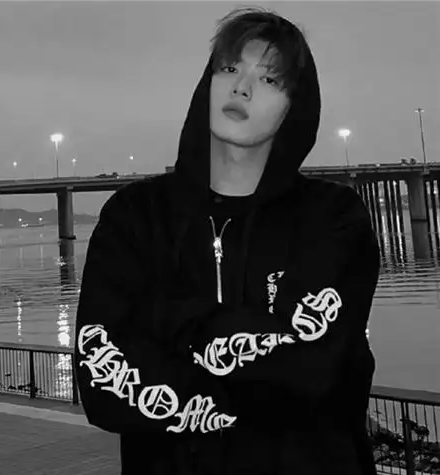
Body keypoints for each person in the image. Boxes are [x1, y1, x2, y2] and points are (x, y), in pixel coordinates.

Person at [74, 6, 381, 475]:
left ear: (295, 107)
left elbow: (315, 372)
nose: (242, 88)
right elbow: (102, 389)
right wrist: (260, 349)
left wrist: (162, 320)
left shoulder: (333, 217)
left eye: (270, 80)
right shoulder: (135, 216)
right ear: (209, 82)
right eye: (230, 68)